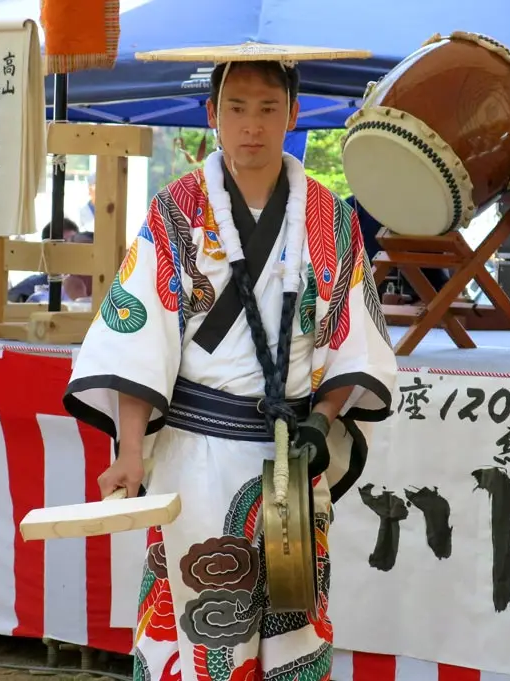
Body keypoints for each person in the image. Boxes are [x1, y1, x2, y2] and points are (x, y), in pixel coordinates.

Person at [63, 50, 397, 680]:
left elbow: (355, 344)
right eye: (237, 109)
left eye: (269, 109)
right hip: (198, 455)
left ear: (293, 115)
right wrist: (130, 451)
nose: (252, 126)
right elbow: (139, 338)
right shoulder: (174, 212)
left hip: (294, 457)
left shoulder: (332, 218)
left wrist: (324, 423)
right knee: (199, 632)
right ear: (211, 115)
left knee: (295, 632)